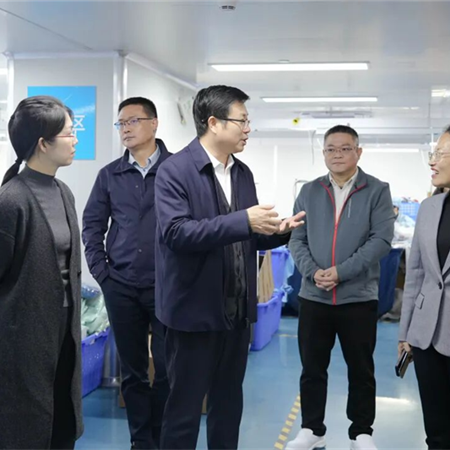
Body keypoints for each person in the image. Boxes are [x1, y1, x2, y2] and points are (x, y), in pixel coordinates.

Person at [154, 85, 305, 450]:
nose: (248, 129)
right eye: (242, 121)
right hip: (193, 314)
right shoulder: (175, 171)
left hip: (236, 314)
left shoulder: (242, 173)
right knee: (184, 410)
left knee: (228, 406)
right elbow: (176, 233)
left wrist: (277, 231)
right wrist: (244, 221)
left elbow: (244, 236)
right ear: (214, 123)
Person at [287, 125, 395, 450]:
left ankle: (361, 432)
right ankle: (312, 429)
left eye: (345, 148)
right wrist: (313, 272)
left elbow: (381, 240)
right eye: (331, 149)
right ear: (323, 153)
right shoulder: (309, 191)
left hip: (358, 298)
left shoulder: (377, 190)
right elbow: (296, 238)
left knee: (361, 369)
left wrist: (341, 272)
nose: (337, 154)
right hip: (313, 296)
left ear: (358, 152)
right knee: (312, 368)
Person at [83, 97, 171, 450]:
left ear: (154, 123)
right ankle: (141, 442)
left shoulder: (178, 170)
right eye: (121, 123)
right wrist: (102, 274)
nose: (126, 129)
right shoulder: (110, 174)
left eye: (133, 120)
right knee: (132, 372)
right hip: (121, 286)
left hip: (167, 287)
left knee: (167, 369)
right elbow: (92, 226)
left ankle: (162, 439)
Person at [0, 96, 83, 450]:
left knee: (62, 416)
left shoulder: (63, 192)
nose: (75, 140)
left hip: (64, 329)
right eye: (68, 133)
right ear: (43, 144)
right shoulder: (12, 200)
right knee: (28, 426)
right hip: (23, 336)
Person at [398, 126, 450, 449]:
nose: (432, 161)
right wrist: (405, 333)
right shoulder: (430, 208)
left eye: (440, 154)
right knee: (436, 431)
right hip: (426, 336)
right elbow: (415, 272)